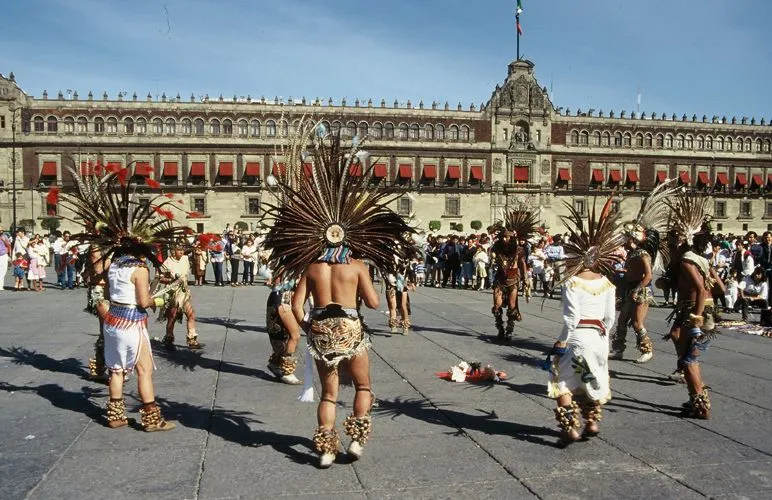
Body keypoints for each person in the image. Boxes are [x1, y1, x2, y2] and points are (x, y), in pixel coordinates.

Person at [261, 122, 413, 468]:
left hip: (320, 331)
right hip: (350, 326)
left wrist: (313, 324)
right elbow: (374, 303)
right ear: (351, 235)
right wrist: (364, 284)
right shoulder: (357, 265)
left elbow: (297, 306)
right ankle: (357, 440)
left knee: (328, 393)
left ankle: (327, 448)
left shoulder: (312, 267)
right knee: (362, 387)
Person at [50, 163, 190, 430]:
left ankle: (115, 416)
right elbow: (144, 302)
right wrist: (165, 297)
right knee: (144, 370)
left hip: (112, 320)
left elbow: (106, 285)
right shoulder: (139, 269)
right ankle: (151, 419)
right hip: (131, 323)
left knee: (116, 370)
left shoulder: (115, 264)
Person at [546, 197, 622, 445]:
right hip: (598, 337)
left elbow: (572, 317)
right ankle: (592, 422)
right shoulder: (607, 283)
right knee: (591, 378)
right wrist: (605, 340)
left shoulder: (572, 282)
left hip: (577, 336)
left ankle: (570, 428)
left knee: (562, 380)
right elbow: (610, 318)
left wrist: (561, 341)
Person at [665, 193, 721, 419]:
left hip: (694, 311)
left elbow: (699, 288)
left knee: (689, 359)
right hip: (695, 309)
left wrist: (697, 318)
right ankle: (695, 398)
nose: (670, 246)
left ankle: (700, 404)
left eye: (672, 241)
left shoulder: (688, 260)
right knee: (678, 340)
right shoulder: (701, 260)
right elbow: (721, 289)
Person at [610, 179, 678, 363]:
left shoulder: (642, 254)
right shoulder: (633, 252)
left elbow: (648, 275)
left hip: (640, 291)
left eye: (626, 237)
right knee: (622, 321)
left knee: (638, 323)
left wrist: (637, 289)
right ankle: (618, 349)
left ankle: (646, 349)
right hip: (630, 288)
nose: (623, 240)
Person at [489, 208, 535, 342]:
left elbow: (522, 264)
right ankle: (500, 329)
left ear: (512, 237)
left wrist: (526, 278)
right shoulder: (497, 247)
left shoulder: (519, 250)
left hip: (513, 279)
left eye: (507, 236)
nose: (504, 239)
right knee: (497, 305)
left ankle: (509, 330)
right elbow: (493, 256)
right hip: (500, 279)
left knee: (512, 306)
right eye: (503, 236)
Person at [159, 243, 202, 350]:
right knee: (172, 316)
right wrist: (171, 280)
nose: (181, 252)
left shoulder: (185, 259)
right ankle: (169, 337)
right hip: (173, 293)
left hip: (184, 292)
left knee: (191, 315)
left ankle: (192, 339)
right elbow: (160, 278)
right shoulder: (167, 262)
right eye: (179, 250)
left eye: (183, 249)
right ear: (173, 251)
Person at [265, 274, 302, 384]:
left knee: (284, 335)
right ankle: (287, 371)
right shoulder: (284, 267)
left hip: (283, 301)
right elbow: (276, 284)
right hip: (281, 302)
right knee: (294, 336)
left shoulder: (295, 268)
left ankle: (276, 363)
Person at [0, 225, 11, 290]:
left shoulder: (4, 237)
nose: (1, 231)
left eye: (2, 230)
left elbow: (8, 245)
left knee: (3, 270)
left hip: (3, 255)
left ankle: (0, 285)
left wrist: (9, 254)